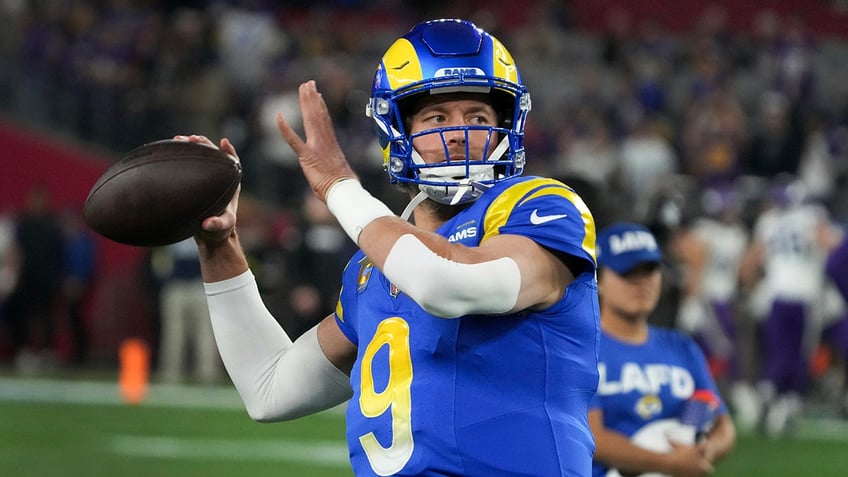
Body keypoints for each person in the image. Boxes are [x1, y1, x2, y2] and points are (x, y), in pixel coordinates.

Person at [186, 19, 600, 476]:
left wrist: (338, 187)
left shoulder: (538, 205)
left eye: (478, 117)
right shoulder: (372, 266)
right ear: (396, 130)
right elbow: (269, 389)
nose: (459, 133)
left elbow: (447, 285)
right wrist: (219, 243)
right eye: (437, 117)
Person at [589, 222, 735, 477]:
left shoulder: (682, 347)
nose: (641, 283)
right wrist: (669, 463)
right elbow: (592, 437)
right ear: (599, 280)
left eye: (650, 271)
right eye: (628, 273)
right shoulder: (584, 349)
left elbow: (724, 426)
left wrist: (701, 454)